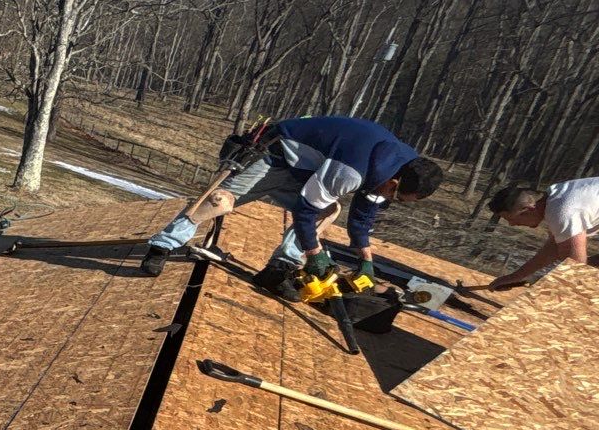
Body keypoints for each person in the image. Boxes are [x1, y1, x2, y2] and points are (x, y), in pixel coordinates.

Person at [141, 116, 445, 299]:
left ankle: (277, 270)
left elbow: (364, 215)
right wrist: (314, 255)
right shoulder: (352, 170)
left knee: (331, 211)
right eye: (395, 197)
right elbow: (304, 210)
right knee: (218, 201)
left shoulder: (398, 167)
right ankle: (162, 246)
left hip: (305, 171)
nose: (391, 201)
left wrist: (366, 260)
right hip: (274, 157)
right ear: (394, 183)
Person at [483, 178, 598, 289]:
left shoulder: (562, 212)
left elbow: (575, 268)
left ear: (529, 209)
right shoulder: (556, 200)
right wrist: (518, 276)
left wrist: (543, 285)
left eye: (511, 219)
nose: (512, 224)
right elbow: (555, 248)